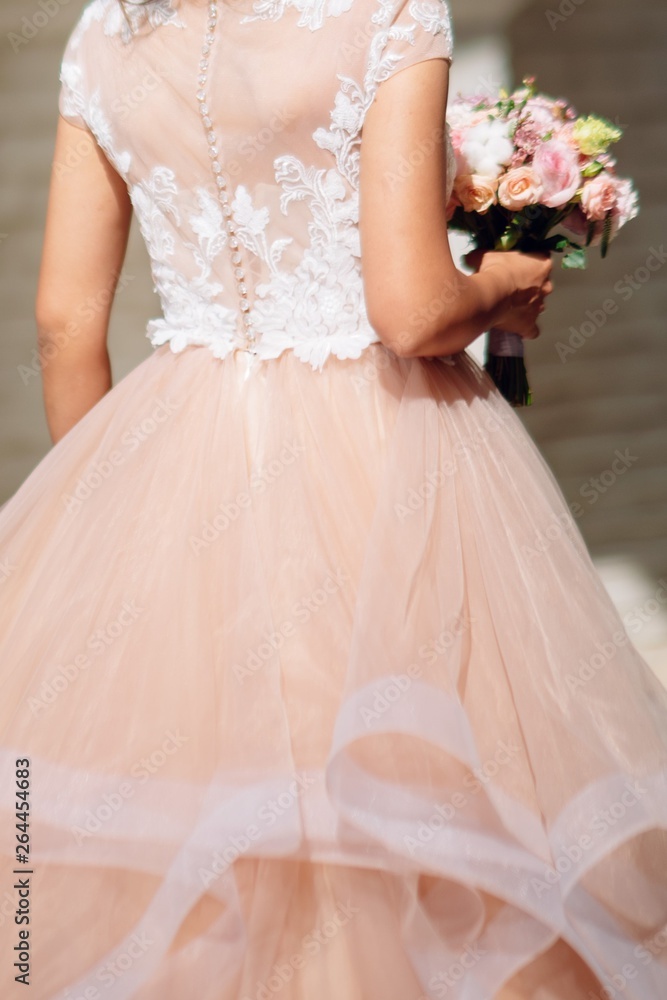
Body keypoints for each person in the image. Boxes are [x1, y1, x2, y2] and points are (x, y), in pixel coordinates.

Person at [1, 0, 666, 996]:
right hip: (381, 447)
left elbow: (64, 323)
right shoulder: (386, 11)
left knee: (183, 822)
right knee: (416, 810)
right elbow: (409, 311)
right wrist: (503, 287)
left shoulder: (104, 34)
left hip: (179, 446)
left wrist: (111, 535)